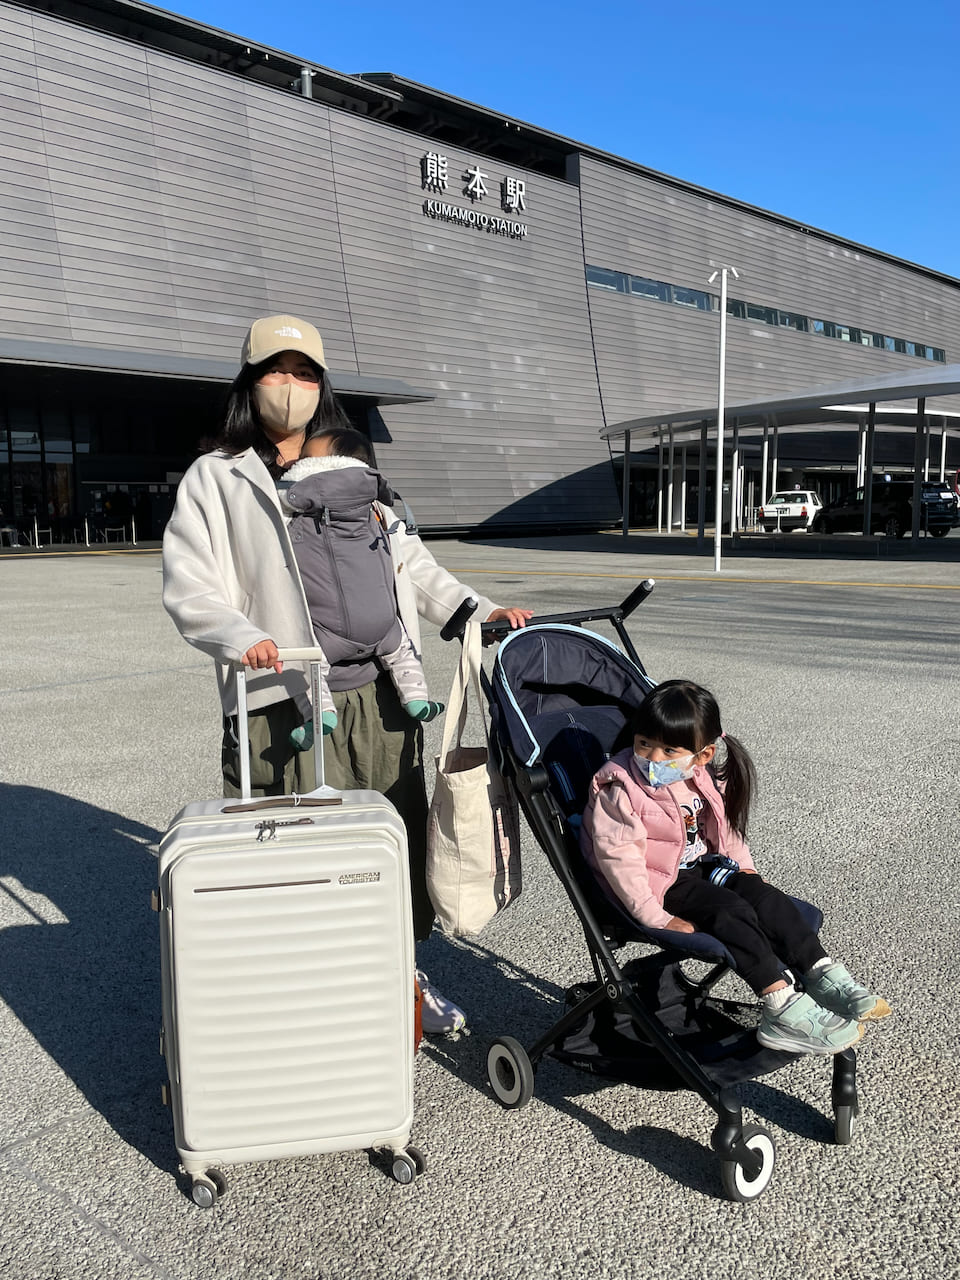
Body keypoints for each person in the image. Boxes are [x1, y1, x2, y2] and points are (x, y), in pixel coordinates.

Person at [162, 313, 531, 1033]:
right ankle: (304, 999)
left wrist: (480, 613)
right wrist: (243, 638)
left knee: (384, 846)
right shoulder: (218, 477)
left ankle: (401, 981)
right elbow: (189, 586)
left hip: (381, 699)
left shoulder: (360, 471)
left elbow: (411, 567)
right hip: (281, 697)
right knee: (289, 850)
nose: (290, 387)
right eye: (276, 371)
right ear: (249, 381)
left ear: (322, 384)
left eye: (305, 373)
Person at [579, 679, 890, 1056]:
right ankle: (779, 1004)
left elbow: (723, 828)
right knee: (732, 912)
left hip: (701, 866)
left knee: (765, 898)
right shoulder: (621, 788)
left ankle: (822, 973)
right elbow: (620, 859)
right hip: (658, 883)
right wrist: (653, 915)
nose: (653, 758)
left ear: (702, 755)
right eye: (644, 743)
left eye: (668, 749)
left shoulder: (696, 776)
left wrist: (744, 869)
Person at [277, 427, 444, 752]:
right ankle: (418, 701)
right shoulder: (377, 511)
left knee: (306, 666)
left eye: (306, 459)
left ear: (322, 468)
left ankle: (320, 716)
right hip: (384, 626)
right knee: (403, 654)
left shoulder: (292, 512)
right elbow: (423, 572)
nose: (295, 464)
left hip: (326, 635)